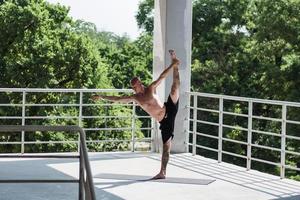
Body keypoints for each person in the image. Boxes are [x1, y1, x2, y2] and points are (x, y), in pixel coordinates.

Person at [92, 50, 180, 179]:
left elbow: (161, 76)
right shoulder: (136, 98)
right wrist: (101, 96)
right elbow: (117, 99)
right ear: (134, 88)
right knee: (166, 148)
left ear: (140, 82)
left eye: (137, 83)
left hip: (169, 108)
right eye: (134, 86)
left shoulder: (151, 88)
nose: (137, 86)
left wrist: (172, 66)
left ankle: (176, 63)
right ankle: (163, 172)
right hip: (164, 122)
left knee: (175, 87)